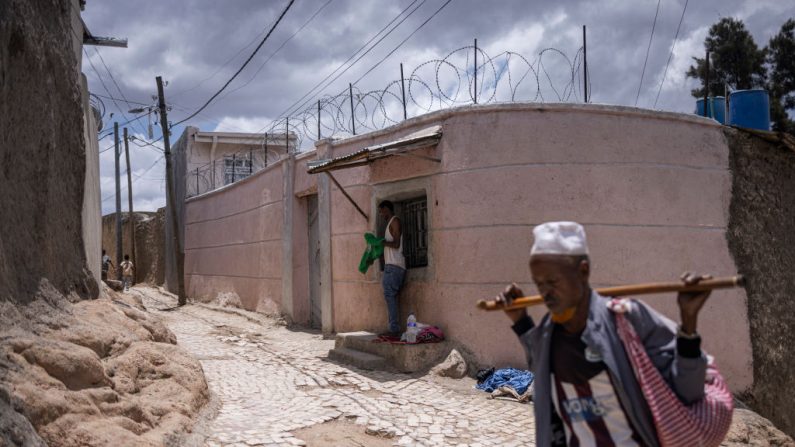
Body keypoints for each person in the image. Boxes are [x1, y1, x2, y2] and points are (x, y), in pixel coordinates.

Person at [496, 221, 711, 447]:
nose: (545, 293)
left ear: (583, 271)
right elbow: (539, 366)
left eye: (553, 281)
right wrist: (520, 320)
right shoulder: (548, 333)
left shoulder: (626, 320)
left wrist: (688, 324)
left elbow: (688, 392)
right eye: (538, 283)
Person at [378, 200, 405, 337]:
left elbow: (396, 244)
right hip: (392, 265)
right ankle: (393, 327)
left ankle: (393, 329)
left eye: (381, 210)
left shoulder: (394, 221)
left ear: (387, 209)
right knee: (391, 296)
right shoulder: (390, 223)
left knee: (389, 295)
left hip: (394, 266)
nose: (381, 214)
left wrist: (383, 243)